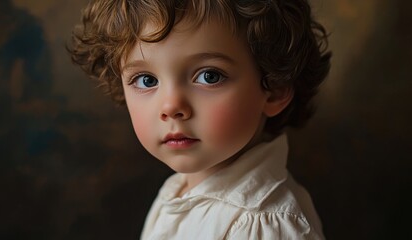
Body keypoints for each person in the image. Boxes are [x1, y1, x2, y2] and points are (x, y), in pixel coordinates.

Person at [68, 0, 331, 239]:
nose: (171, 107)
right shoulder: (179, 190)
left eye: (209, 76)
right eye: (147, 80)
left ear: (274, 88)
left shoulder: (263, 226)